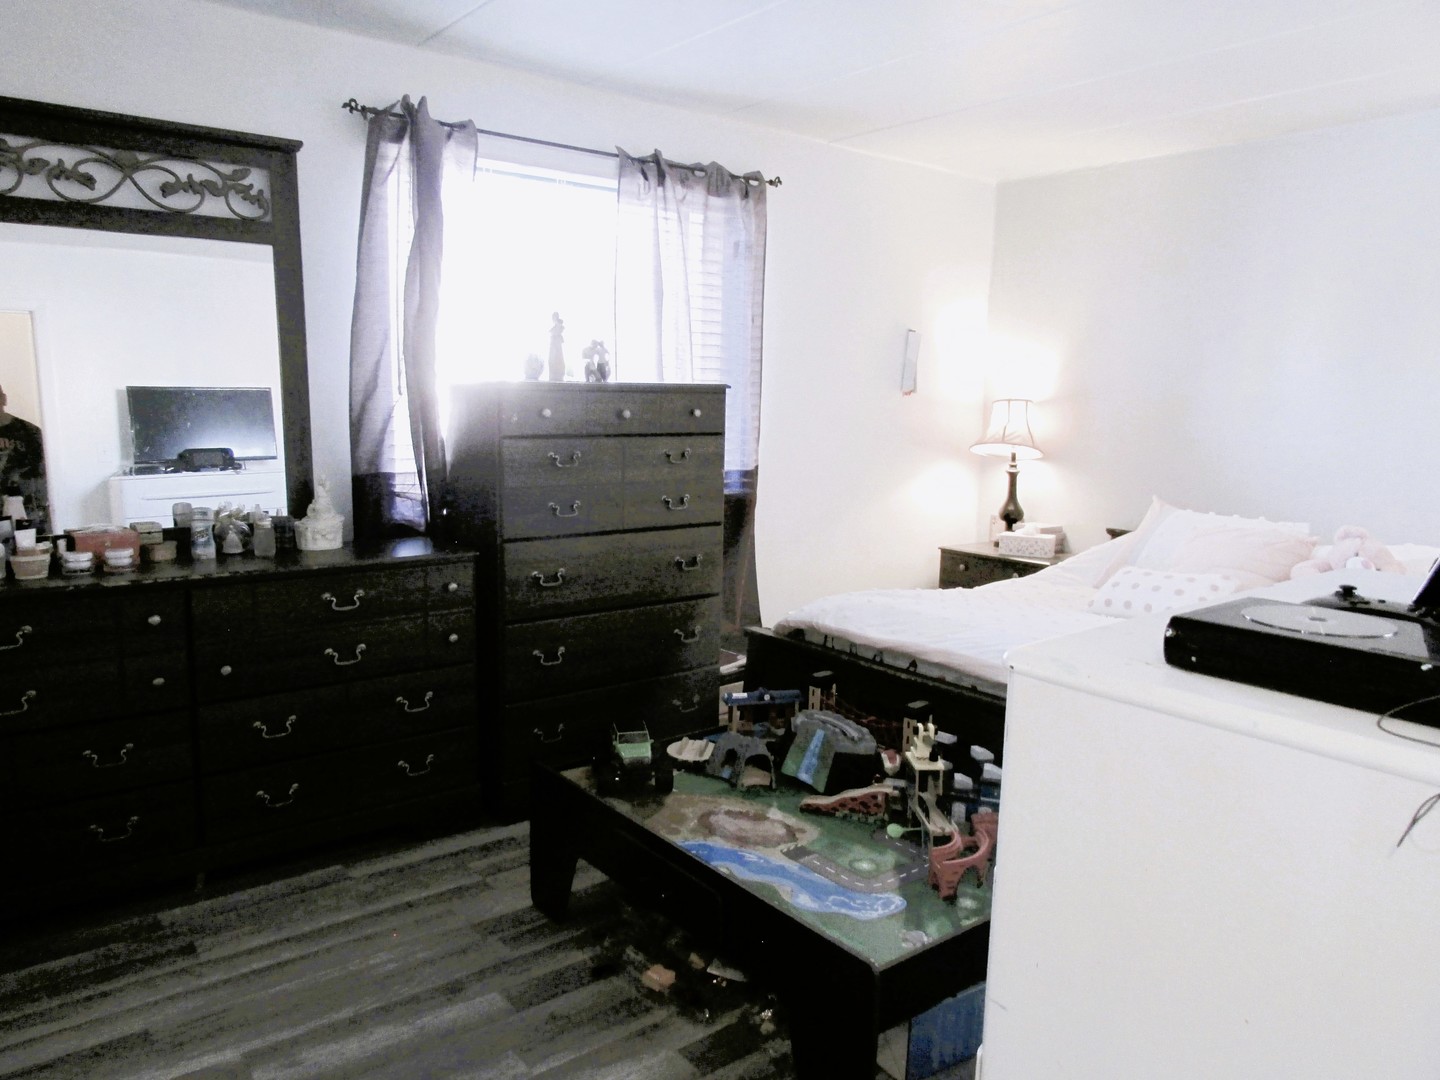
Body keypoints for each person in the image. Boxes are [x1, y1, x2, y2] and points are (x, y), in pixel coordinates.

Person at [0, 383, 48, 532]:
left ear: (4, 399)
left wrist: (41, 511)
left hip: (28, 513)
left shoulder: (30, 432)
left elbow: (42, 474)